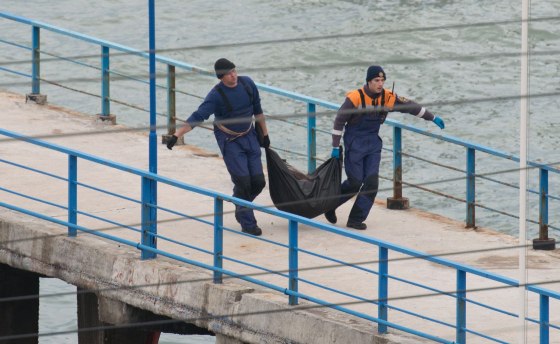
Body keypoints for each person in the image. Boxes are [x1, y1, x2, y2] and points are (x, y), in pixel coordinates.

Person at [325, 65, 445, 230]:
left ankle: (355, 219)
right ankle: (330, 205)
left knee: (371, 182)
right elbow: (339, 121)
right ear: (368, 82)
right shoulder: (355, 98)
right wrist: (335, 146)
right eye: (376, 80)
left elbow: (410, 106)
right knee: (355, 181)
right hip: (355, 142)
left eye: (382, 80)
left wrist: (432, 117)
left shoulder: (388, 97)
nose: (380, 84)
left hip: (373, 143)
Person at [167, 58, 270, 236]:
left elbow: (258, 111)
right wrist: (176, 135)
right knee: (243, 181)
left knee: (259, 181)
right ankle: (248, 223)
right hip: (229, 140)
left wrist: (265, 135)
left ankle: (240, 204)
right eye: (229, 73)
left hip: (249, 135)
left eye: (234, 71)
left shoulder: (247, 84)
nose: (234, 75)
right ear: (221, 77)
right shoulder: (216, 95)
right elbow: (198, 116)